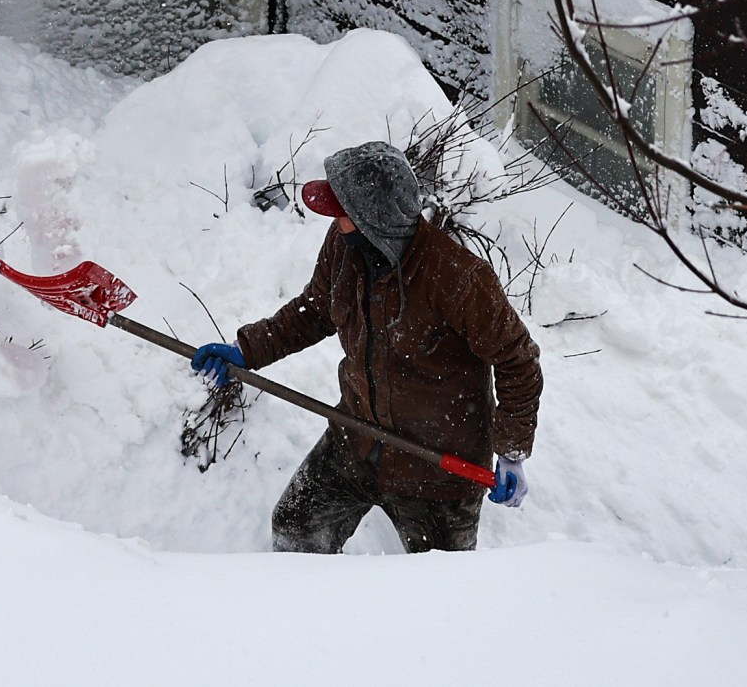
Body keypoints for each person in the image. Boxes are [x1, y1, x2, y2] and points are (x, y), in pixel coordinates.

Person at [192, 138, 543, 554]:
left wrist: (511, 450)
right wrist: (246, 349)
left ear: (372, 217)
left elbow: (517, 360)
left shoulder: (458, 278)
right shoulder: (344, 246)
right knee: (294, 529)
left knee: (440, 592)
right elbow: (314, 310)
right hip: (356, 438)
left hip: (435, 468)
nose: (332, 217)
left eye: (342, 210)